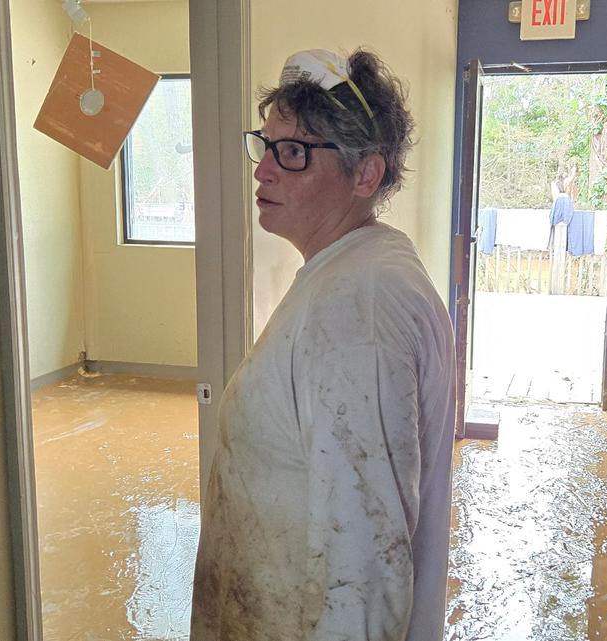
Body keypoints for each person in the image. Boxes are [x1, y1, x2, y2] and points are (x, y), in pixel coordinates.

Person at [190, 48, 456, 641]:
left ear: (366, 174)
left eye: (293, 152)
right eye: (266, 145)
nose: (263, 170)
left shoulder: (357, 309)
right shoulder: (356, 269)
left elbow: (361, 572)